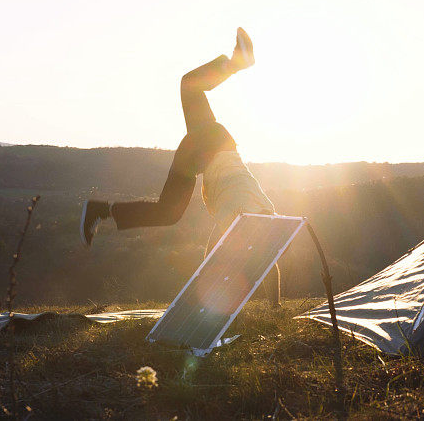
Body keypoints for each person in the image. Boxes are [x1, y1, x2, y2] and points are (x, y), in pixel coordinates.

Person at [80, 28, 282, 306]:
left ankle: (101, 210)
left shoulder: (264, 210)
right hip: (204, 151)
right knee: (169, 211)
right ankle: (100, 210)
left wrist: (275, 304)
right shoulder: (239, 218)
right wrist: (209, 301)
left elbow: (269, 261)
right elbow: (217, 258)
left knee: (189, 86)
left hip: (218, 141)